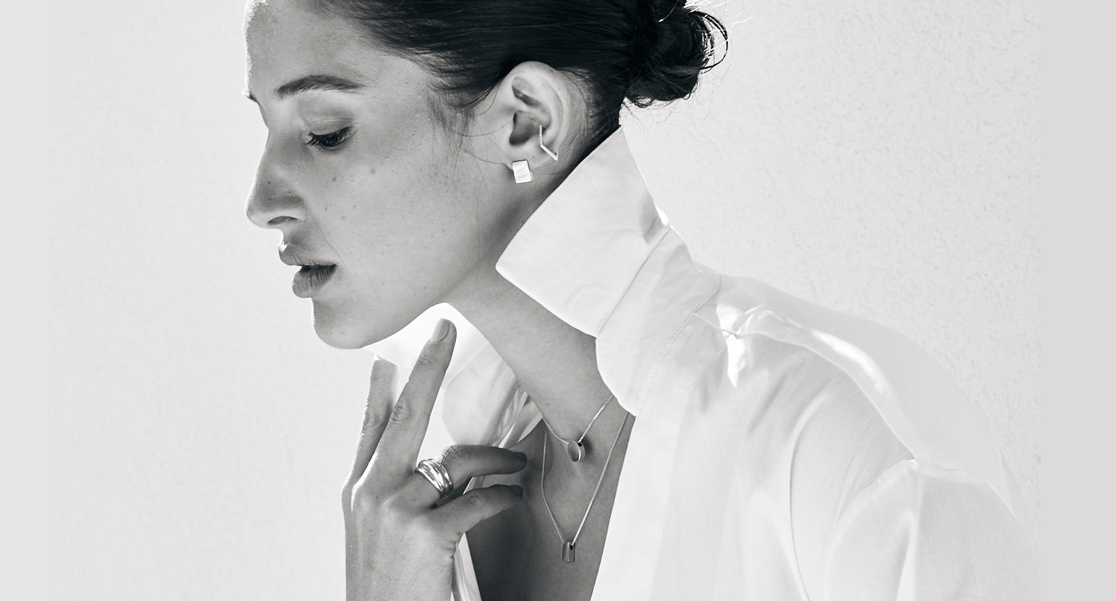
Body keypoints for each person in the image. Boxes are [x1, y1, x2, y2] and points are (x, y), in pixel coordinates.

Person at [242, 0, 1038, 598]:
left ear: (526, 120)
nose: (262, 201)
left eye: (325, 131)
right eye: (265, 128)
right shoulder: (425, 507)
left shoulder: (841, 449)